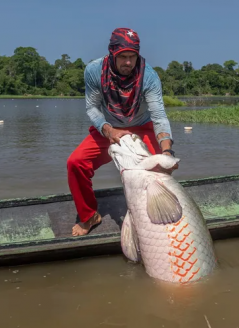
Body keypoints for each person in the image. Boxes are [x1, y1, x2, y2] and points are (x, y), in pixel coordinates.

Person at [67, 27, 176, 237]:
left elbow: (159, 116)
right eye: (123, 57)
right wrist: (108, 130)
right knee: (76, 163)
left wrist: (167, 152)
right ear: (112, 54)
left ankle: (158, 219)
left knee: (160, 172)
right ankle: (89, 216)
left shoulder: (149, 76)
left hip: (142, 126)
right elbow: (92, 107)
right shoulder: (93, 71)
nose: (128, 62)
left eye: (132, 57)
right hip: (108, 127)